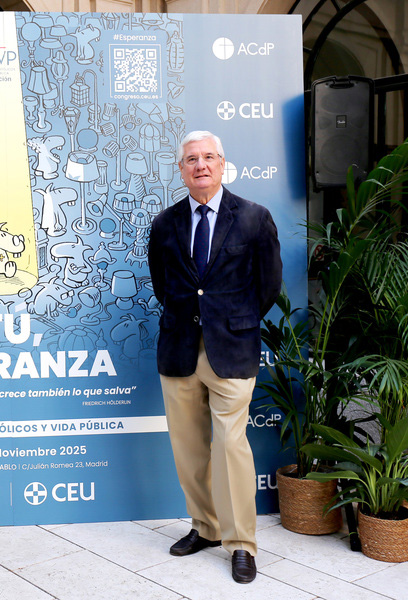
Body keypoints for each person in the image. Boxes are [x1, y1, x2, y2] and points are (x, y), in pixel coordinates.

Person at [147, 131, 282, 584]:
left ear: (222, 164)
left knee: (230, 447)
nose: (200, 165)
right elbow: (163, 285)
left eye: (208, 157)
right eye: (191, 159)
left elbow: (268, 287)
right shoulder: (165, 224)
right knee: (188, 449)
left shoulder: (254, 217)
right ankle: (204, 527)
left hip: (232, 349)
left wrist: (231, 321)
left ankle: (241, 542)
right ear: (181, 170)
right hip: (180, 348)